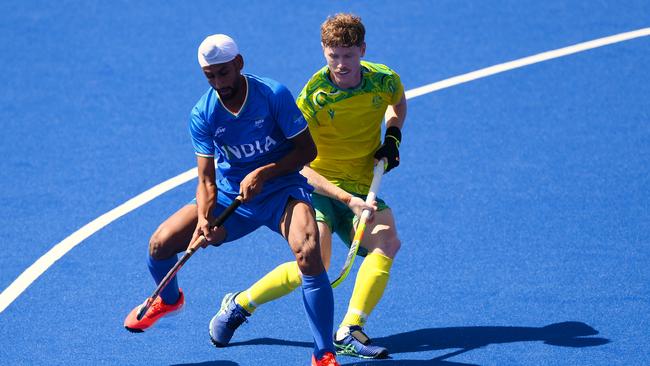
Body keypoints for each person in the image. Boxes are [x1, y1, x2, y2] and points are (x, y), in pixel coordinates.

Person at [123, 34, 340, 366]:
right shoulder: (204, 113)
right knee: (160, 243)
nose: (218, 82)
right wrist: (206, 219)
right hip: (231, 198)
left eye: (223, 73)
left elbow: (307, 152)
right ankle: (168, 300)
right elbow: (206, 179)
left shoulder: (272, 95)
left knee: (309, 251)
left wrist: (265, 172)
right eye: (209, 76)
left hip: (282, 192)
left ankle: (323, 353)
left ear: (239, 63)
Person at [212, 14, 407, 359]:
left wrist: (392, 137)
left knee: (387, 241)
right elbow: (299, 160)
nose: (341, 64)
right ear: (323, 52)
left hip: (360, 186)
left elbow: (397, 104)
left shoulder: (384, 80)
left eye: (348, 55)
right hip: (316, 188)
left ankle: (350, 329)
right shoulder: (314, 97)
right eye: (333, 56)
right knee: (314, 260)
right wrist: (345, 199)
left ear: (362, 50)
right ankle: (241, 304)